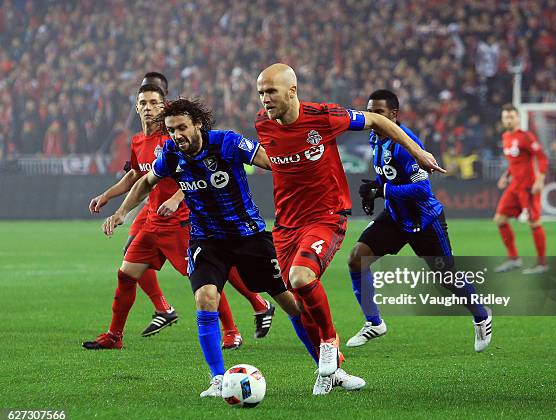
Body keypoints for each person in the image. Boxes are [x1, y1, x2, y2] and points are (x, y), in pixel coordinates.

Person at [101, 98, 365, 396]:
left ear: (198, 124)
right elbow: (146, 181)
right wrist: (122, 212)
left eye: (182, 128)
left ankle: (332, 368)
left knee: (292, 303)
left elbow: (271, 162)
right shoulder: (172, 154)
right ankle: (217, 379)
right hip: (207, 240)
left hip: (249, 236)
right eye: (172, 130)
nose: (177, 135)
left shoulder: (226, 143)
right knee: (205, 298)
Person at [254, 63, 444, 393]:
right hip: (286, 224)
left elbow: (378, 120)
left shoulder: (324, 117)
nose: (264, 99)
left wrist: (418, 151)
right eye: (260, 93)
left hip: (326, 215)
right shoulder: (262, 124)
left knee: (302, 277)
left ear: (292, 91)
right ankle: (332, 372)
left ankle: (329, 341)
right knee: (294, 303)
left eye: (270, 91)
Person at [83, 83, 273, 350]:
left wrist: (175, 198)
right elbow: (139, 177)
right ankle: (116, 335)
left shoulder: (173, 141)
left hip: (180, 222)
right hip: (152, 221)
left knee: (207, 279)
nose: (148, 108)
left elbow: (195, 173)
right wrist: (115, 205)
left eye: (154, 103)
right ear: (136, 107)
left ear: (164, 107)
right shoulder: (139, 141)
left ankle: (233, 328)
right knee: (126, 274)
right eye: (143, 103)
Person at [344, 89, 492, 351]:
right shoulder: (375, 136)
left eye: (378, 112)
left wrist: (384, 191)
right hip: (395, 216)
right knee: (357, 257)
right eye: (370, 112)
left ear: (393, 114)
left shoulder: (407, 144)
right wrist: (374, 188)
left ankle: (482, 315)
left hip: (425, 220)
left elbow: (423, 189)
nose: (372, 117)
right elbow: (387, 176)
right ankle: (374, 323)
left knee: (446, 277)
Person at [494, 104, 549, 274]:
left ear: (517, 118)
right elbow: (514, 162)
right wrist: (506, 175)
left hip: (528, 187)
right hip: (514, 186)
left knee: (534, 223)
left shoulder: (526, 137)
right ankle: (514, 258)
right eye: (505, 117)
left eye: (511, 117)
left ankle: (542, 263)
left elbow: (542, 158)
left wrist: (540, 179)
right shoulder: (505, 137)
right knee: (500, 219)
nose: (508, 120)